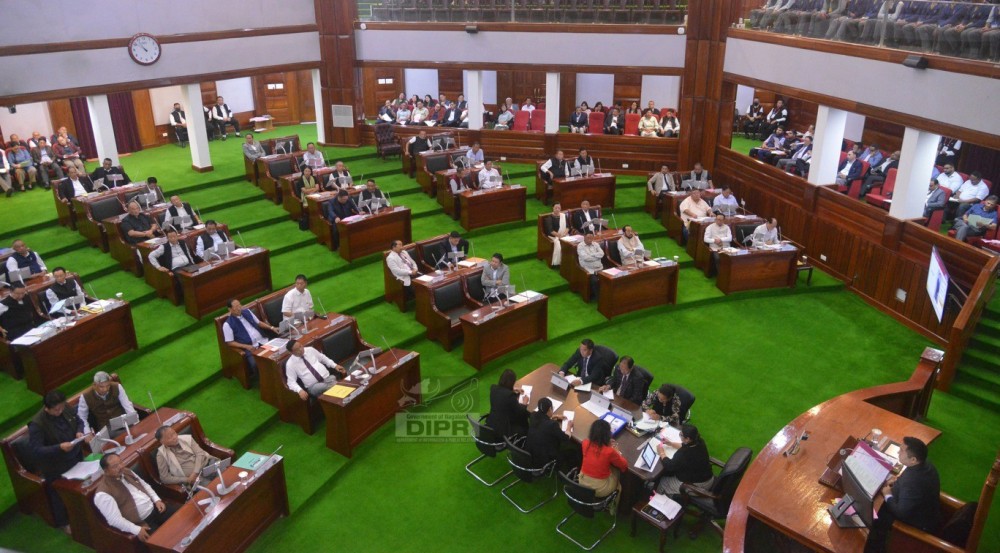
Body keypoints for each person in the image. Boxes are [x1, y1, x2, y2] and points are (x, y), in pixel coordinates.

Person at [864, 437, 941, 553]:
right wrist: (896, 481)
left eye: (901, 451)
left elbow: (901, 513)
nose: (898, 452)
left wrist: (887, 495)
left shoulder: (912, 482)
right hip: (922, 508)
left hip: (915, 523)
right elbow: (908, 481)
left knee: (871, 514)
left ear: (913, 460)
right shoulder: (925, 465)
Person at [28, 390, 89, 532]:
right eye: (56, 410)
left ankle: (83, 512)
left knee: (83, 483)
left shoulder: (65, 407)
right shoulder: (37, 424)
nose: (60, 411)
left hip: (76, 455)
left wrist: (79, 431)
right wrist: (58, 448)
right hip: (55, 466)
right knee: (59, 495)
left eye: (62, 407)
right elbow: (36, 450)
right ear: (47, 408)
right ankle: (64, 522)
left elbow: (78, 421)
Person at [94, 453, 170, 542]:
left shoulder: (127, 471)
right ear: (106, 471)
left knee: (184, 519)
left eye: (120, 462)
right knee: (165, 542)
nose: (121, 467)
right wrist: (136, 530)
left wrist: (157, 500)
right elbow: (114, 520)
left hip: (156, 509)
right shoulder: (103, 494)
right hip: (143, 523)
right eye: (115, 466)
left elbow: (145, 485)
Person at [222, 298, 278, 378]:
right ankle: (264, 381)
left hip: (263, 341)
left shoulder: (247, 312)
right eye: (236, 306)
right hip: (250, 348)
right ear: (230, 309)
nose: (239, 308)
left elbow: (259, 323)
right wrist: (246, 346)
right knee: (255, 364)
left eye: (239, 305)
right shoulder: (227, 324)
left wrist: (272, 328)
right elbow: (229, 342)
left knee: (278, 352)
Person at [655, 424, 714, 498]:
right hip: (707, 477)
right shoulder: (699, 441)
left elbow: (669, 466)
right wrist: (670, 443)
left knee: (663, 481)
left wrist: (661, 452)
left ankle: (657, 500)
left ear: (688, 439)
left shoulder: (684, 454)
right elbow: (684, 445)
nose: (680, 435)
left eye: (681, 435)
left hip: (698, 487)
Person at [526, 397, 581, 472]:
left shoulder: (533, 415)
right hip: (545, 459)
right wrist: (568, 427)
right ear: (549, 409)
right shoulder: (552, 425)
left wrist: (554, 416)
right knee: (573, 452)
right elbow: (566, 438)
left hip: (531, 453)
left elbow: (542, 421)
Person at [154, 426, 219, 488]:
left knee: (225, 475)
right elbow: (165, 478)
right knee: (213, 487)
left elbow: (200, 453)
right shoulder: (161, 455)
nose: (174, 437)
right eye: (169, 437)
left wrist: (195, 472)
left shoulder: (187, 438)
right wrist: (186, 479)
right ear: (162, 442)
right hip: (194, 479)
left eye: (174, 433)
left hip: (207, 464)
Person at [579, 419, 628, 499]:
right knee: (617, 472)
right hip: (600, 489)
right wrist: (617, 452)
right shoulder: (610, 451)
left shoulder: (585, 443)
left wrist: (606, 444)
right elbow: (624, 465)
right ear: (607, 435)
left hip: (582, 482)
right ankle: (613, 507)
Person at [486, 369, 530, 439]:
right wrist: (525, 403)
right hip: (503, 429)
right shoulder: (510, 396)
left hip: (491, 423)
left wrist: (513, 389)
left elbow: (503, 392)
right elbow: (520, 412)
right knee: (524, 418)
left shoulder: (493, 388)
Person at [577, 233, 605, 299]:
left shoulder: (596, 244)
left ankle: (606, 295)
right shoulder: (580, 246)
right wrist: (597, 256)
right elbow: (586, 258)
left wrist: (592, 255)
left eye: (591, 238)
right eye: (588, 238)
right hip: (589, 270)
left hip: (600, 267)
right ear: (584, 237)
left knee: (608, 279)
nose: (589, 240)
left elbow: (602, 254)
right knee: (595, 281)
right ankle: (599, 299)